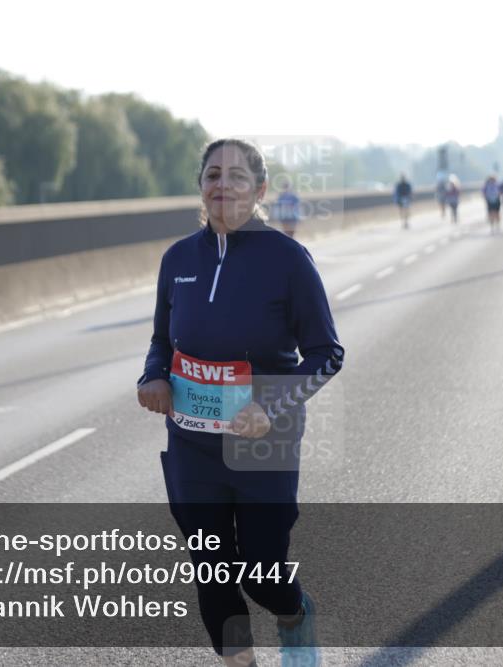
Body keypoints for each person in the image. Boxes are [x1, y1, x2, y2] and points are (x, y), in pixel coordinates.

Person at [137, 138, 344, 667]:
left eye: (235, 176)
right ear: (200, 186)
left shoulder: (288, 259)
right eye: (212, 175)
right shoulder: (177, 259)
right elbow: (163, 339)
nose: (221, 185)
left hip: (263, 444)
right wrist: (153, 375)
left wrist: (270, 408)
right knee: (211, 570)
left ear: (259, 189)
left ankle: (294, 613)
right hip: (192, 443)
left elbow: (326, 354)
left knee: (261, 570)